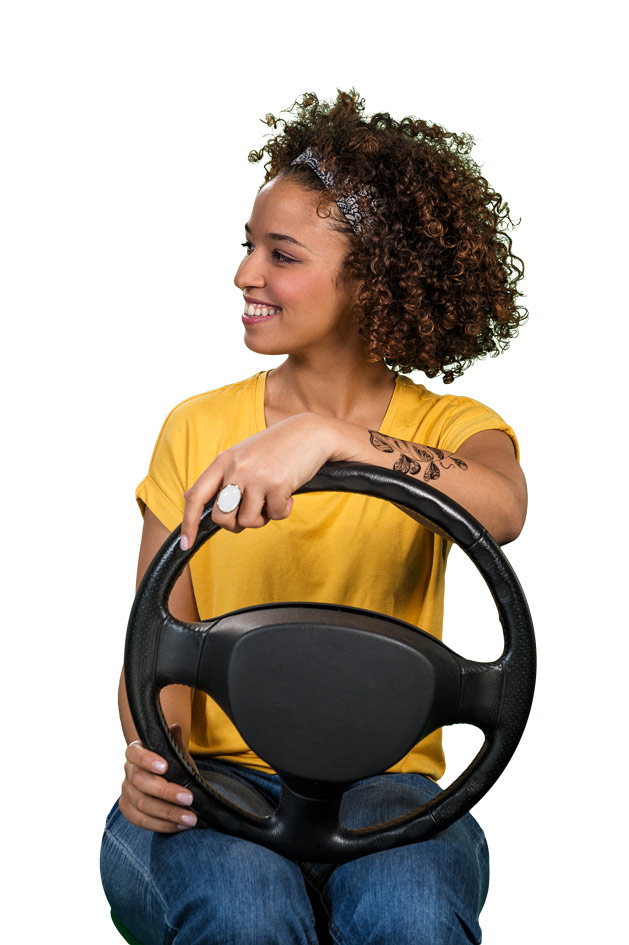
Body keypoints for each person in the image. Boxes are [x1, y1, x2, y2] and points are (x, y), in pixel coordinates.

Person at [100, 90, 528, 944]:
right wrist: (154, 762)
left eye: (281, 254)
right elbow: (154, 638)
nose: (245, 275)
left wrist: (328, 437)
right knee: (243, 912)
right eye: (248, 246)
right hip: (216, 776)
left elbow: (502, 505)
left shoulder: (452, 426)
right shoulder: (198, 427)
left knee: (410, 912)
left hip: (388, 786)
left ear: (371, 276)